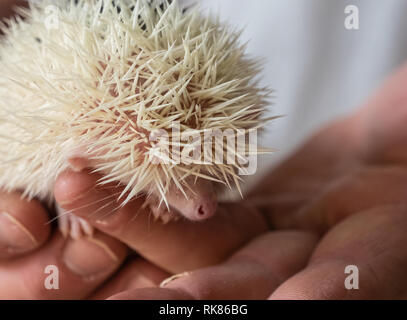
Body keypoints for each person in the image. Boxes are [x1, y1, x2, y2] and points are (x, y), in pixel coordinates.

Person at [2, 0, 407, 299]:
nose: (204, 206)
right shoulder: (77, 139)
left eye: (201, 179)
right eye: (184, 180)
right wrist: (65, 206)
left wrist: (176, 188)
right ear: (82, 158)